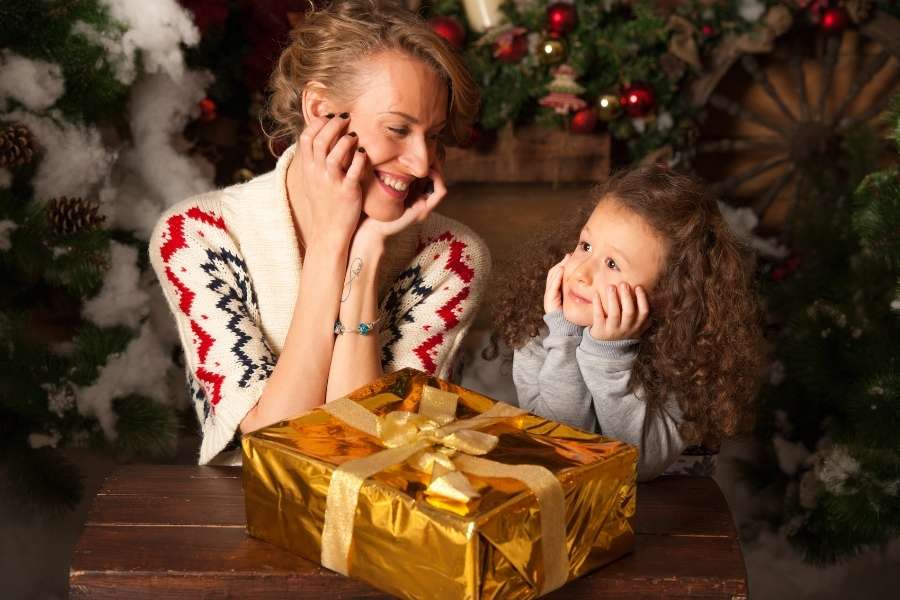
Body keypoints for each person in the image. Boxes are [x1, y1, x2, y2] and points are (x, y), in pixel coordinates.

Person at [149, 0, 488, 465]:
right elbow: (275, 443)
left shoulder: (450, 257)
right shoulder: (197, 237)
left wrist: (365, 255)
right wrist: (331, 244)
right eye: (397, 129)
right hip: (240, 504)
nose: (420, 162)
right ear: (322, 110)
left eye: (432, 135)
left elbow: (366, 450)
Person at [491, 166, 764, 481]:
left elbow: (639, 466)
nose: (581, 273)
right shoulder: (539, 328)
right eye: (585, 246)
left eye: (612, 264)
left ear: (668, 295)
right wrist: (563, 338)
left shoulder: (683, 355)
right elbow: (556, 442)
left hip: (660, 502)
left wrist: (609, 356)